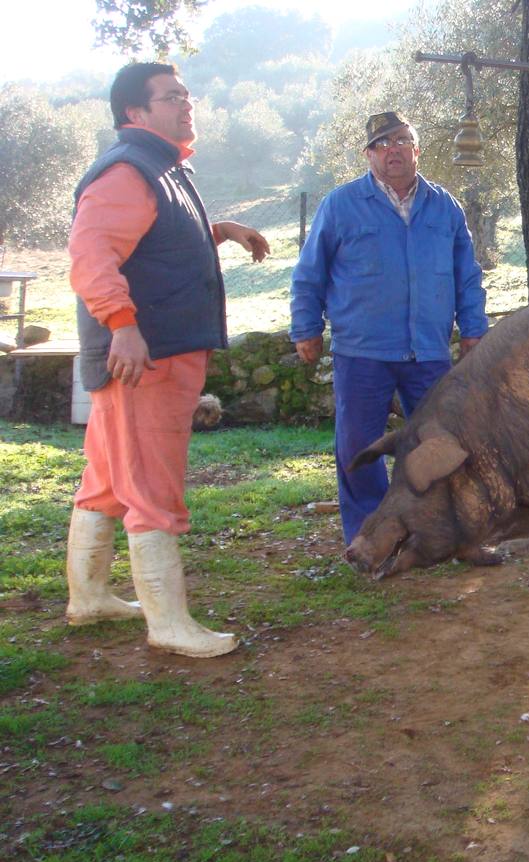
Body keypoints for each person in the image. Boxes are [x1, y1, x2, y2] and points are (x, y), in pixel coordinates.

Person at [66, 62, 270, 657]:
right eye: (171, 96)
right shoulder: (128, 171)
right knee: (152, 487)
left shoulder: (160, 168)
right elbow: (90, 256)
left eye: (186, 93)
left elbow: (155, 239)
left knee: (107, 481)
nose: (186, 103)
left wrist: (219, 230)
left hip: (151, 355)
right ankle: (168, 624)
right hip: (143, 360)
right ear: (135, 113)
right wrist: (123, 326)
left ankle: (90, 597)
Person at [289, 112, 488, 545]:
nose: (392, 150)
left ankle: (448, 534)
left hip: (429, 351)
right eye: (381, 144)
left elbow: (466, 273)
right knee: (359, 447)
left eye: (400, 141)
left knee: (442, 443)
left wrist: (474, 327)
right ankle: (369, 536)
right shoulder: (341, 205)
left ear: (417, 150)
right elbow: (309, 273)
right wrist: (306, 327)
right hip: (363, 351)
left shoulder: (444, 206)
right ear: (368, 156)